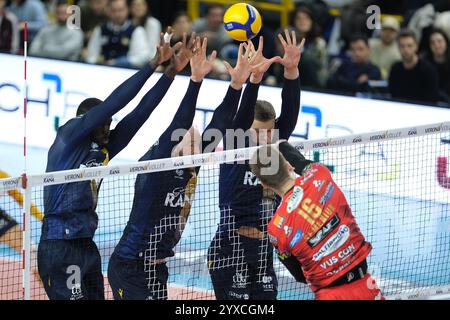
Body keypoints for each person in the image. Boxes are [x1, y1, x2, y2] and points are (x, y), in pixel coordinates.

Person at [38, 29, 185, 300]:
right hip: (59, 245)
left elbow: (140, 113)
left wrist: (170, 74)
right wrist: (152, 65)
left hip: (86, 244)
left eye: (110, 125)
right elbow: (115, 102)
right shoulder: (69, 138)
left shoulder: (103, 149)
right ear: (88, 121)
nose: (108, 129)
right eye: (103, 123)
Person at [108, 39, 260, 300]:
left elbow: (222, 122)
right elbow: (181, 121)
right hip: (130, 264)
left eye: (197, 141)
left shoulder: (192, 166)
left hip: (158, 268)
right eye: (186, 139)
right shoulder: (157, 165)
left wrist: (237, 85)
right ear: (172, 146)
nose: (194, 141)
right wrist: (195, 82)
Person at [207, 31, 303, 300]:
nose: (265, 137)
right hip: (230, 248)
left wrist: (292, 72)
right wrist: (254, 81)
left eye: (270, 131)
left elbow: (291, 112)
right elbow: (241, 115)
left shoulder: (273, 143)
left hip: (264, 252)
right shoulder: (236, 143)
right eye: (259, 131)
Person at [249, 141, 384, 300]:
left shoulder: (275, 230)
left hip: (330, 294)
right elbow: (300, 161)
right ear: (289, 166)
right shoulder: (319, 173)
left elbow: (299, 275)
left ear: (264, 185)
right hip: (367, 286)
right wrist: (282, 144)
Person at [86, 0, 150, 68]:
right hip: (102, 70)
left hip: (126, 71)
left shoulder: (137, 30)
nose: (117, 14)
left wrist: (120, 62)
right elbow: (91, 56)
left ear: (128, 10)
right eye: (113, 10)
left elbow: (142, 57)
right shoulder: (100, 29)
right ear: (108, 11)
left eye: (120, 10)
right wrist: (98, 62)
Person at [389, 29, 439, 104]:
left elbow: (432, 100)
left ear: (416, 46)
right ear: (398, 47)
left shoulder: (428, 70)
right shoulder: (395, 69)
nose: (406, 50)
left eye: (409, 46)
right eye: (402, 46)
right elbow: (393, 95)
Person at [283, 6, 327, 88]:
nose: (302, 21)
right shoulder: (287, 39)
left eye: (306, 18)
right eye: (298, 18)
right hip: (287, 81)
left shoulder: (319, 43)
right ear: (293, 21)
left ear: (312, 21)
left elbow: (321, 69)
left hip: (312, 84)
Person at [422, 28, 450, 104]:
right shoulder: (424, 63)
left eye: (439, 41)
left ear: (446, 42)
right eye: (432, 42)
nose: (436, 45)